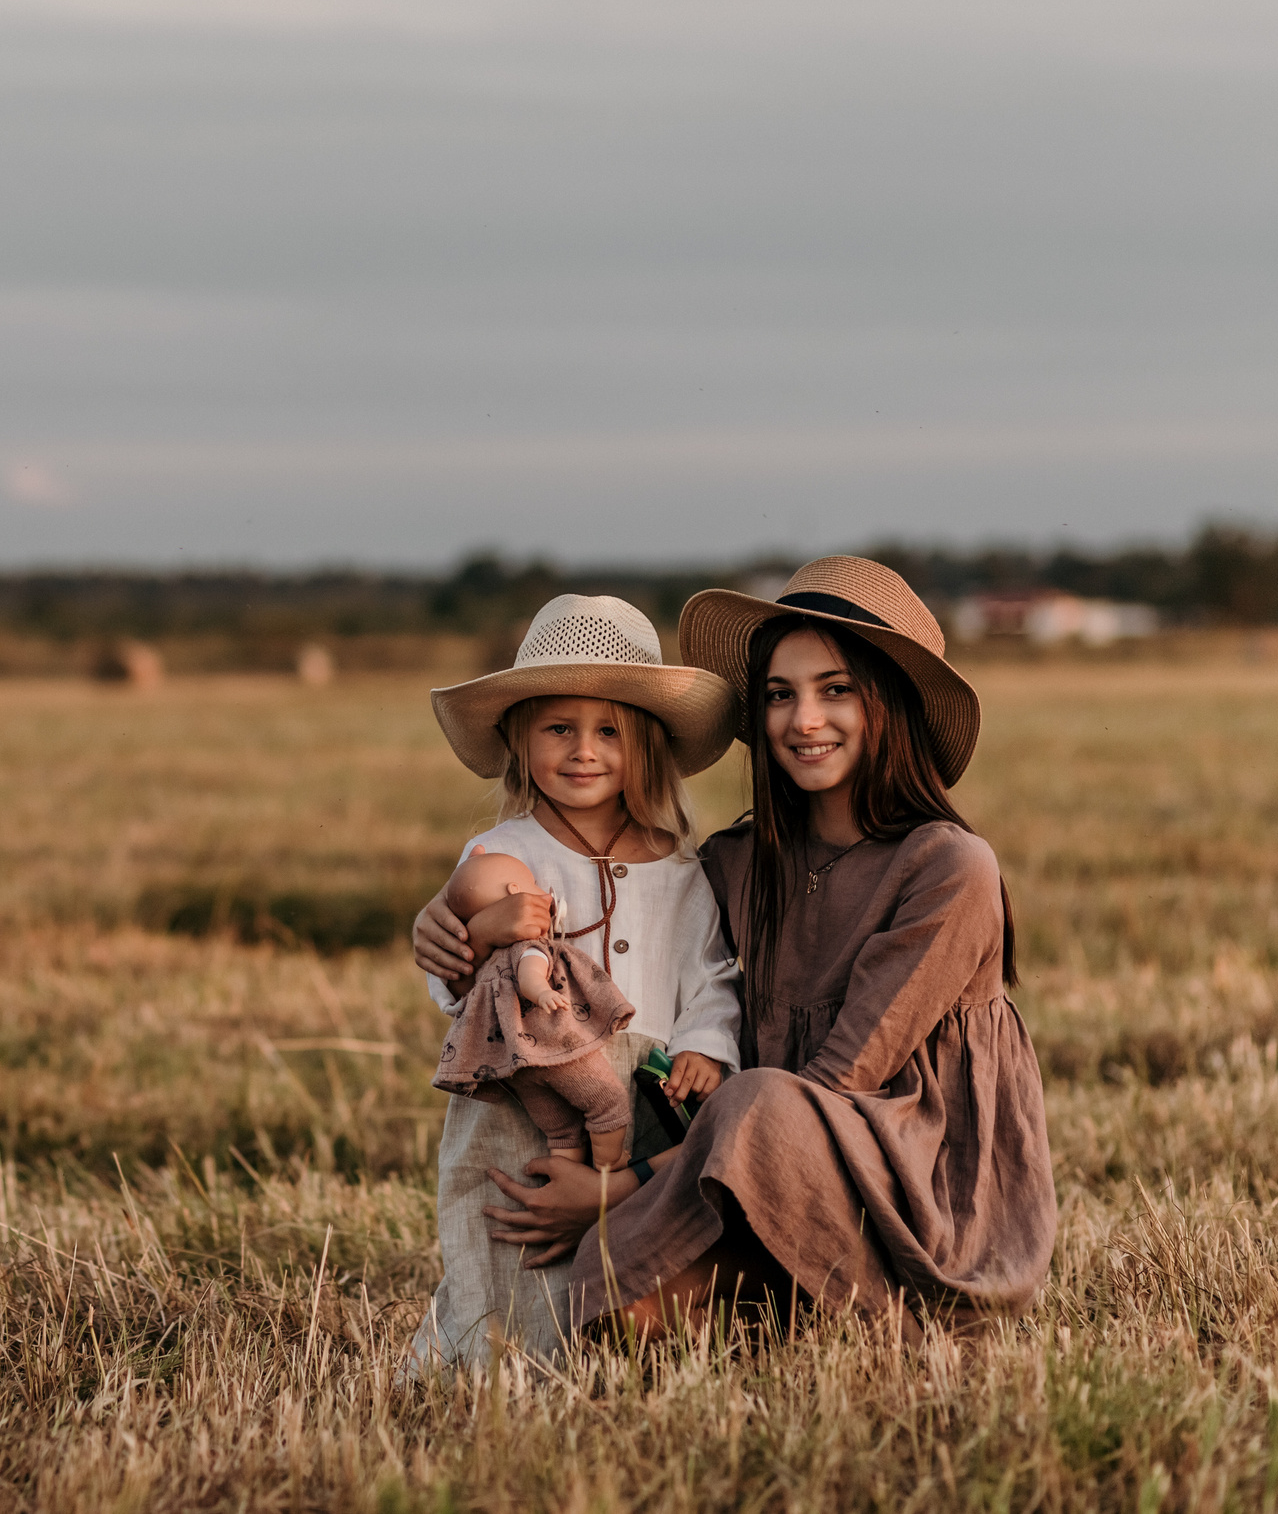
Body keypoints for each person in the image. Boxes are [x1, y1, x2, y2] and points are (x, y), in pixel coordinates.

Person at [412, 557, 1058, 1339]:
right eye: (781, 694)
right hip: (740, 1169)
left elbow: (837, 1084)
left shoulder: (950, 867)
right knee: (616, 1303)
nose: (802, 719)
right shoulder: (740, 863)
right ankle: (765, 1309)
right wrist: (455, 919)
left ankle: (867, 1307)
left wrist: (618, 1191)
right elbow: (619, 913)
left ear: (889, 700)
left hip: (910, 1196)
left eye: (835, 689)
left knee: (758, 1097)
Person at [405, 595, 744, 1370]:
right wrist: (474, 941)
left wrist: (704, 1043)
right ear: (522, 740)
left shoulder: (681, 868)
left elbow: (713, 975)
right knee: (506, 1237)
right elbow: (456, 990)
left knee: (625, 1250)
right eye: (560, 727)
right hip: (522, 1087)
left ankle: (604, 1356)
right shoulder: (500, 851)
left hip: (645, 1098)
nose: (583, 750)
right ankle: (485, 1356)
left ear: (646, 746)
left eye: (608, 731)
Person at [434, 845, 639, 1171]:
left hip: (517, 1068)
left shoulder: (486, 968)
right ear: (516, 893)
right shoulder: (528, 948)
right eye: (533, 884)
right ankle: (608, 1163)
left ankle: (563, 1173)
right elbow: (531, 974)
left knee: (560, 1129)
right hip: (554, 1050)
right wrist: (542, 991)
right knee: (607, 1103)